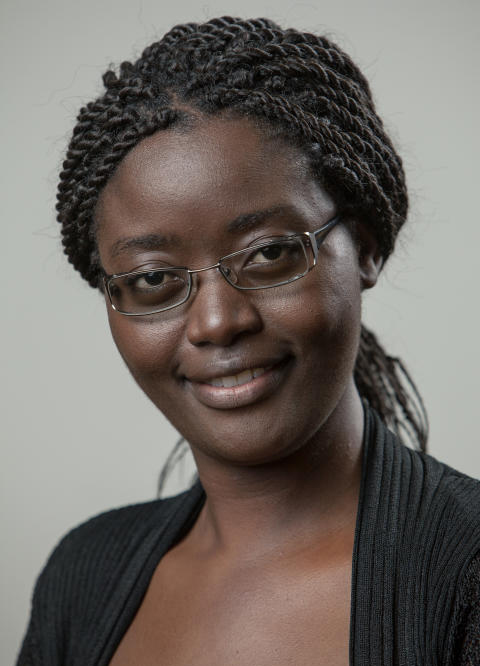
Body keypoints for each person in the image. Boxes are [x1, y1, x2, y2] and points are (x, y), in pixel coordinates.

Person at [17, 16, 480, 665]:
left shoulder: (466, 581)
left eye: (269, 255)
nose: (216, 322)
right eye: (152, 278)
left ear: (365, 246)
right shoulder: (81, 578)